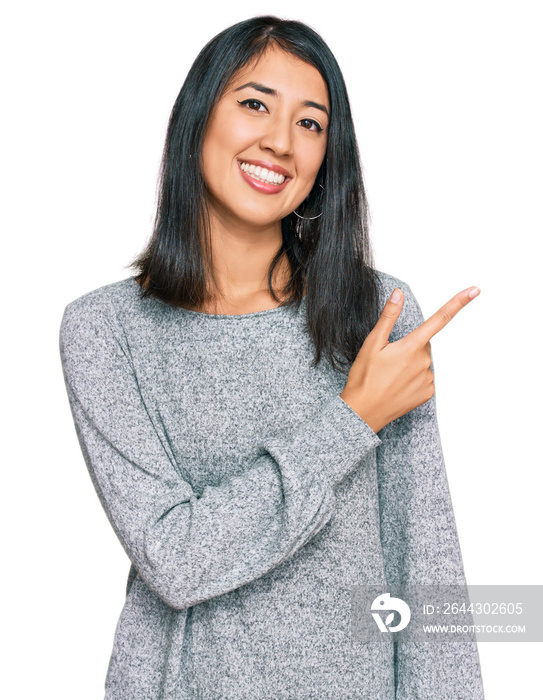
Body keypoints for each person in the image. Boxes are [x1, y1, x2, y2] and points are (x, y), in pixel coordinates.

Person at [59, 15, 485, 700]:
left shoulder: (377, 314)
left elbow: (424, 562)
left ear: (326, 157)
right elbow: (175, 559)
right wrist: (350, 420)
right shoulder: (105, 330)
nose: (279, 142)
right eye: (254, 103)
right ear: (198, 116)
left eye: (310, 124)